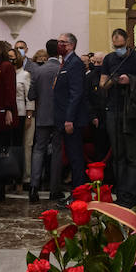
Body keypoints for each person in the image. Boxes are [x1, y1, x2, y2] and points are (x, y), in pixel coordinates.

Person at [100, 29, 136, 208]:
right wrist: (113, 80)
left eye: (121, 45)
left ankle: (131, 195)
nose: (118, 48)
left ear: (128, 41)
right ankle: (121, 195)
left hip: (132, 111)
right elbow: (102, 84)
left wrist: (130, 79)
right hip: (113, 109)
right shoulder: (109, 59)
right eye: (115, 46)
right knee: (118, 155)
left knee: (132, 155)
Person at [51, 32, 88, 204]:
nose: (59, 45)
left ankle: (78, 195)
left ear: (71, 45)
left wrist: (69, 119)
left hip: (71, 120)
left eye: (62, 42)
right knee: (73, 157)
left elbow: (76, 94)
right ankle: (76, 193)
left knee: (76, 158)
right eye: (59, 42)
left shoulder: (75, 64)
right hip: (64, 118)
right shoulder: (66, 62)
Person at [27, 40, 61, 202]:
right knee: (56, 151)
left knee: (38, 150)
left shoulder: (39, 71)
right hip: (59, 116)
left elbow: (31, 95)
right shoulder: (62, 69)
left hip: (43, 115)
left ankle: (33, 187)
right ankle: (54, 189)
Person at [0, 45, 20, 199]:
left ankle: (0, 187)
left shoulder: (6, 66)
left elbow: (10, 89)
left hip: (2, 112)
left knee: (2, 150)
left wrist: (8, 109)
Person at [14, 49, 33, 186]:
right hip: (11, 114)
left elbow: (29, 96)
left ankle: (26, 176)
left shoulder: (24, 74)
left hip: (22, 113)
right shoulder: (8, 73)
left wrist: (29, 115)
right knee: (14, 146)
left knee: (25, 145)